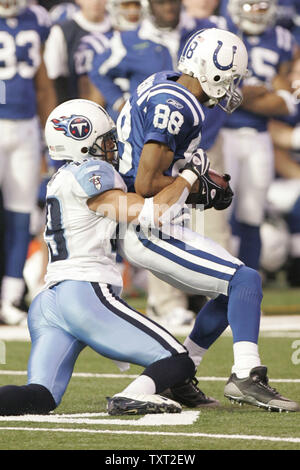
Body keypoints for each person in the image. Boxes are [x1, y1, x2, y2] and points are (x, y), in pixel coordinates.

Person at [115, 27, 300, 412]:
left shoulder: (168, 83)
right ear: (210, 70)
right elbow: (147, 182)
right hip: (147, 223)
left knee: (228, 290)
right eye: (231, 78)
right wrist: (191, 182)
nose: (233, 88)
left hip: (154, 220)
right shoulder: (177, 103)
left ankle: (180, 374)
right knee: (245, 279)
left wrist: (194, 184)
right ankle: (246, 374)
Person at [0, 98, 203, 417]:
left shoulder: (60, 178)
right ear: (80, 142)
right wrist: (189, 177)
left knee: (39, 396)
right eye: (105, 140)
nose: (112, 146)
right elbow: (152, 214)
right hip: (84, 293)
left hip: (50, 300)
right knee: (178, 360)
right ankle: (132, 396)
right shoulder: (91, 172)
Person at [219, 0, 298, 272]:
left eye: (263, 4)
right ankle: (219, 284)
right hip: (223, 135)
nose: (257, 11)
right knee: (221, 213)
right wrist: (256, 95)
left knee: (252, 213)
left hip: (260, 136)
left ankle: (249, 281)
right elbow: (214, 92)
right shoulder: (219, 31)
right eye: (250, 4)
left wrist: (238, 96)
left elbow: (286, 100)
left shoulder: (282, 38)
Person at [0, 0, 57, 325]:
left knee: (22, 216)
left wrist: (50, 136)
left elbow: (44, 84)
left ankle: (10, 298)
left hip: (24, 127)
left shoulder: (36, 17)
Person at [43, 0, 112, 104]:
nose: (96, 2)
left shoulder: (119, 29)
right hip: (75, 106)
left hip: (114, 106)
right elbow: (52, 79)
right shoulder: (62, 31)